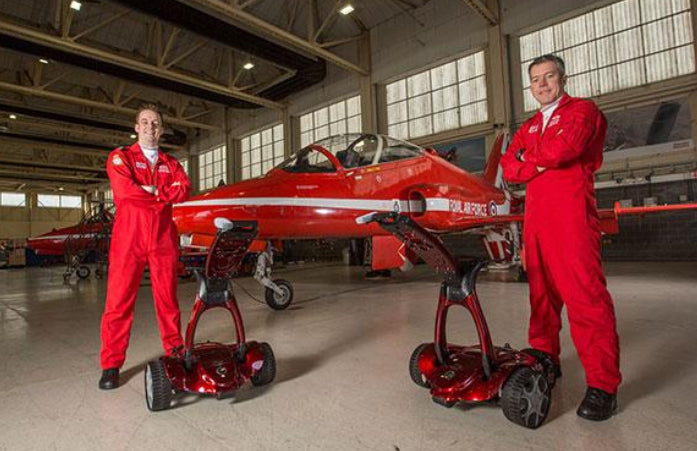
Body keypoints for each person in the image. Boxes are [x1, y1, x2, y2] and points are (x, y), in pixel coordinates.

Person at [500, 54, 621, 421]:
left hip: (571, 219)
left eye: (548, 76)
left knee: (586, 298)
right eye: (535, 79)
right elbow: (509, 166)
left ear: (562, 78)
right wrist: (534, 161)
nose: (542, 84)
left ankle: (603, 386)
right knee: (541, 296)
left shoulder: (583, 111)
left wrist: (531, 159)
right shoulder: (532, 124)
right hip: (536, 221)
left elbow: (565, 149)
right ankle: (545, 356)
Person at [99, 104, 191, 389]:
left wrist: (151, 192)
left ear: (161, 130)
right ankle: (111, 365)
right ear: (136, 127)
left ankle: (175, 352)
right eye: (145, 122)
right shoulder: (120, 157)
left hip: (163, 240)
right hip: (129, 240)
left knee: (168, 302)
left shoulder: (171, 164)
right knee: (118, 303)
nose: (150, 127)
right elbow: (125, 194)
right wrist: (164, 195)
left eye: (155, 123)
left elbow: (185, 190)